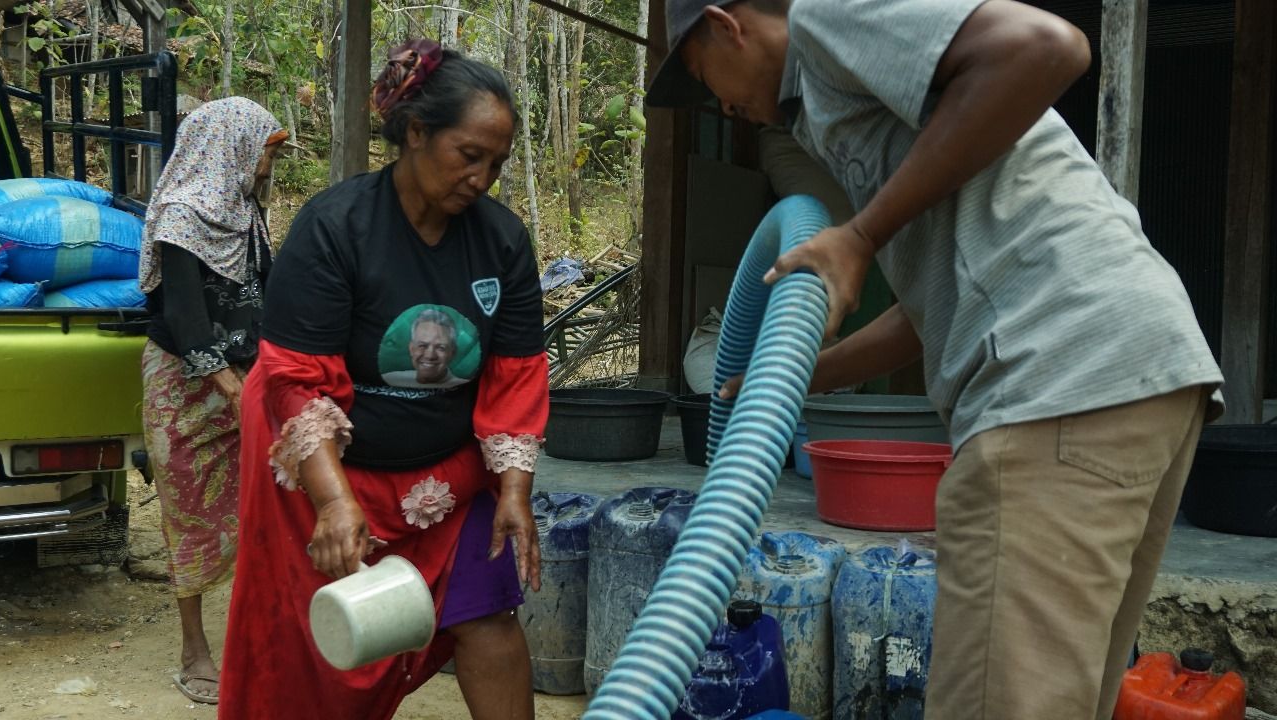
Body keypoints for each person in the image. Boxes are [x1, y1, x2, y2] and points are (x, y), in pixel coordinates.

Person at [647, 1, 1225, 718]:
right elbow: (927, 312)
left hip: (1055, 375)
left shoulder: (827, 21)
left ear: (726, 24)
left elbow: (1048, 46)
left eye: (707, 76)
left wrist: (858, 236)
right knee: (1054, 698)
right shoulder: (851, 110)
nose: (723, 106)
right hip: (1137, 367)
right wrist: (794, 378)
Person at [217, 39, 546, 720]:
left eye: (497, 163)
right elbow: (296, 382)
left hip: (448, 478)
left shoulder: (503, 242)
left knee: (487, 612)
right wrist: (335, 503)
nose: (482, 178)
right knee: (316, 641)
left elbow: (514, 380)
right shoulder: (336, 228)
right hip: (321, 469)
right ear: (417, 133)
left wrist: (514, 490)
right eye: (469, 155)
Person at [138, 96, 289, 705]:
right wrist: (232, 386)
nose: (268, 167)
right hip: (184, 384)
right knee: (191, 512)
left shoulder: (247, 213)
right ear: (232, 147)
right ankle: (194, 647)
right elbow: (184, 315)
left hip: (245, 380)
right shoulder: (182, 214)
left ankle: (264, 632)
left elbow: (267, 297)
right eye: (266, 154)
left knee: (265, 506)